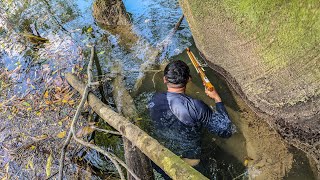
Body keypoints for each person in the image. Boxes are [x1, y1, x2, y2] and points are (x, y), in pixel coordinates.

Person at [148, 60, 234, 179]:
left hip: (162, 155)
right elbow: (225, 131)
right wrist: (217, 98)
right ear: (189, 79)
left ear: (164, 79)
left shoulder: (154, 99)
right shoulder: (196, 107)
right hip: (191, 160)